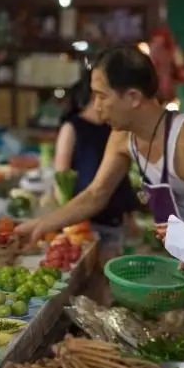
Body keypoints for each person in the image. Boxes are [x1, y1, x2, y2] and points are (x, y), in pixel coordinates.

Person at [15, 46, 184, 326]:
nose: (95, 106)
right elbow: (95, 195)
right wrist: (41, 225)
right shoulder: (124, 138)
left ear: (133, 97)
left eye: (101, 96)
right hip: (179, 262)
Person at [53, 73, 140, 298]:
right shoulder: (73, 127)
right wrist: (68, 220)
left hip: (114, 222)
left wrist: (129, 216)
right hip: (84, 226)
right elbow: (61, 177)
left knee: (108, 287)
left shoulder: (118, 129)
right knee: (84, 288)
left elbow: (121, 179)